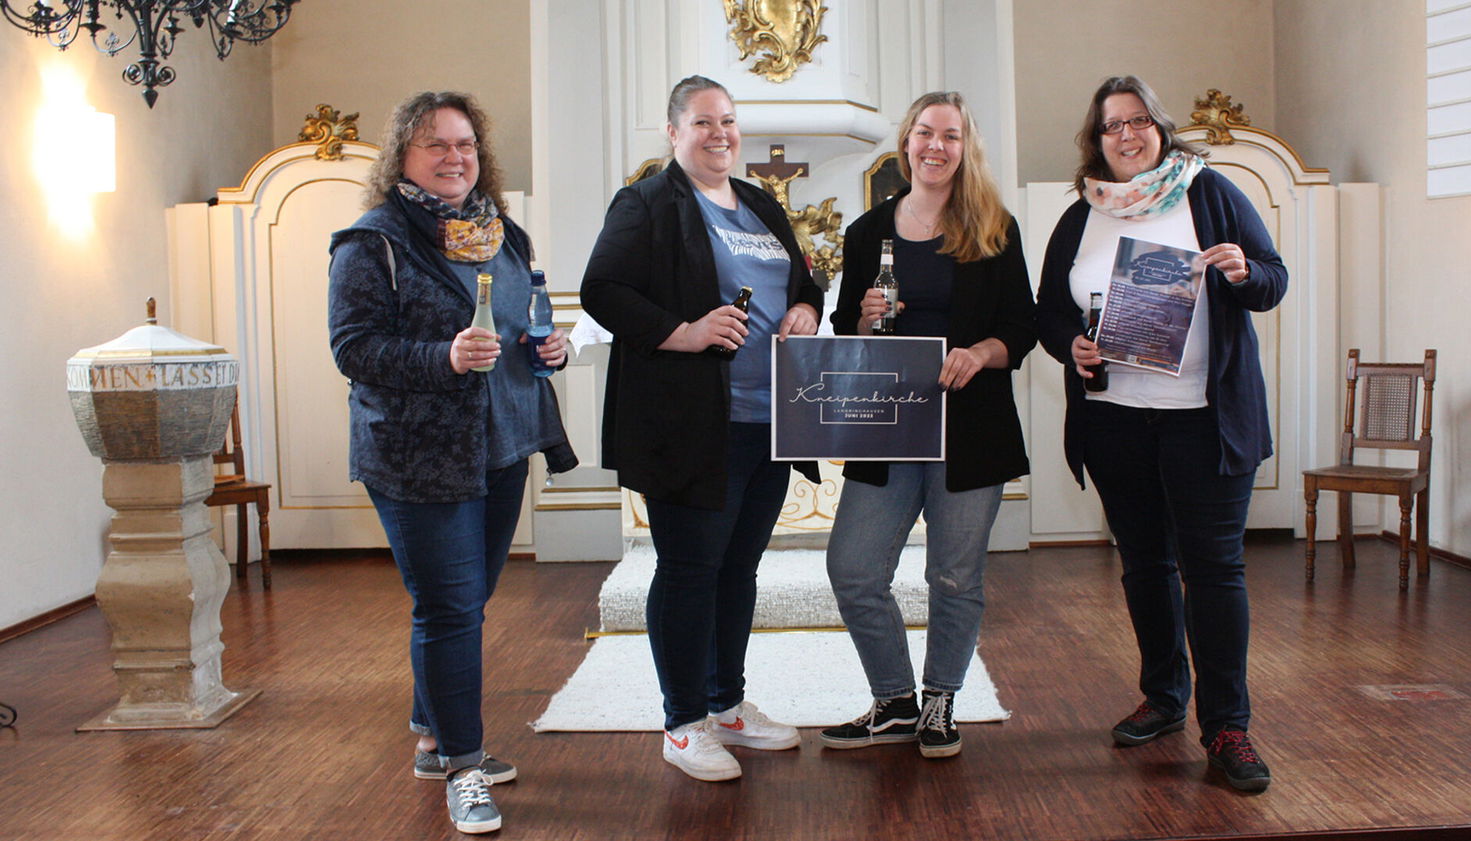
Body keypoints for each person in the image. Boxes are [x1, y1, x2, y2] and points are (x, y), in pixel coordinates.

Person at [328, 91, 576, 833]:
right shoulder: (372, 241)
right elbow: (353, 347)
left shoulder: (504, 234)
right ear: (403, 154)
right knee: (449, 606)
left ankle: (435, 738)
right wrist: (442, 356)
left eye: (465, 144)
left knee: (463, 601)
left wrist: (548, 347)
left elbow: (526, 321)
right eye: (435, 144)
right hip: (416, 454)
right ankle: (465, 767)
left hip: (500, 443)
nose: (453, 157)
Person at [1036, 75, 1287, 793]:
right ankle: (1165, 697)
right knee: (1144, 564)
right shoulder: (1080, 215)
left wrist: (1242, 270)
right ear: (1098, 139)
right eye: (1113, 124)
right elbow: (1048, 311)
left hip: (1204, 421)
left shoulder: (1209, 193)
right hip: (1115, 419)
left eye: (1140, 120)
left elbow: (1273, 278)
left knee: (1214, 571)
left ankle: (1229, 726)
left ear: (1160, 129)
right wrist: (1071, 346)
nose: (1127, 134)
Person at [580, 75, 824, 782]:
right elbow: (603, 288)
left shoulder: (758, 202)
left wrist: (806, 309)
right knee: (689, 569)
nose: (719, 134)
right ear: (673, 131)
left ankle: (727, 704)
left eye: (728, 121)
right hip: (691, 423)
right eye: (703, 122)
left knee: (739, 568)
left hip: (768, 419)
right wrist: (682, 333)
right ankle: (683, 721)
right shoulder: (649, 202)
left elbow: (803, 280)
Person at [822, 91, 1036, 759]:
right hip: (888, 429)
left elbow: (1021, 327)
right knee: (853, 568)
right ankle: (893, 700)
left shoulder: (994, 227)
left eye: (950, 135)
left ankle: (941, 700)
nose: (935, 146)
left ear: (964, 146)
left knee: (954, 577)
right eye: (924, 133)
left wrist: (979, 353)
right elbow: (844, 334)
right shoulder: (866, 234)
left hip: (972, 429)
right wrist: (860, 315)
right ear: (905, 143)